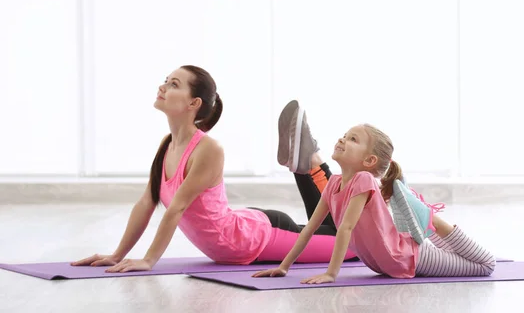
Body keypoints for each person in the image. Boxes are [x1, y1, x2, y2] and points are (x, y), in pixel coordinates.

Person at [71, 68, 355, 273]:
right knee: (330, 230)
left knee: (354, 246)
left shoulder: (208, 149)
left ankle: (312, 165)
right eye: (165, 81)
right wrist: (117, 254)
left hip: (254, 241)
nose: (163, 87)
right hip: (243, 229)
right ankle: (307, 165)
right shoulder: (167, 145)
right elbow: (147, 202)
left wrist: (148, 260)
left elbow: (176, 209)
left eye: (173, 84)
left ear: (193, 103)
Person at [253, 101, 496, 283]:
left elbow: (346, 228)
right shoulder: (335, 184)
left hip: (410, 256)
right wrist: (284, 266)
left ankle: (430, 220)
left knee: (486, 264)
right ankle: (426, 221)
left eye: (353, 139)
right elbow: (309, 229)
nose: (342, 139)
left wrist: (331, 274)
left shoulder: (364, 180)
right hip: (391, 261)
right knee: (473, 261)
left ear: (369, 160)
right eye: (345, 135)